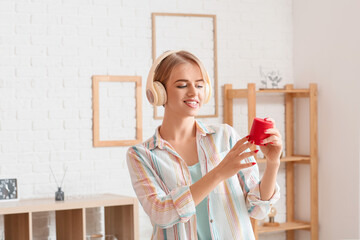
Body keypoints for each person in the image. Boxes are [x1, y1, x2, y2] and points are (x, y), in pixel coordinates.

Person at [126, 50, 281, 240]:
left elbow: (257, 208)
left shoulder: (226, 137)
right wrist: (218, 173)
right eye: (182, 85)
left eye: (199, 85)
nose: (193, 92)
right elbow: (161, 214)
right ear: (160, 93)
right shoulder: (141, 155)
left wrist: (273, 164)